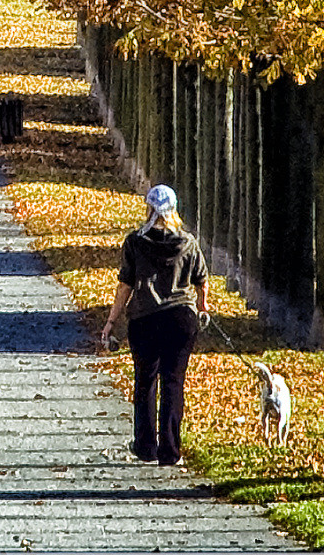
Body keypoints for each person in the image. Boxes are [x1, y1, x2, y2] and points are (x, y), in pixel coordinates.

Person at [101, 184, 210, 466]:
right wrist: (202, 307)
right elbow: (201, 280)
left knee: (146, 381)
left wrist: (111, 322)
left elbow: (125, 285)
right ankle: (170, 451)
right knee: (174, 383)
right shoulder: (188, 242)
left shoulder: (135, 242)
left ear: (149, 209)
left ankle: (145, 446)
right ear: (174, 209)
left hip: (145, 318)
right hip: (181, 319)